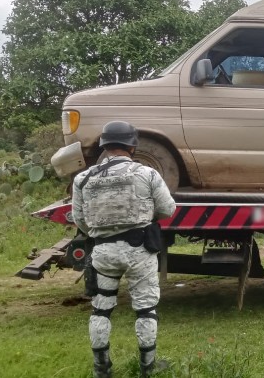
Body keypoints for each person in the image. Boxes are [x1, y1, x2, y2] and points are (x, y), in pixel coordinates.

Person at [72, 121, 176, 377]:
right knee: (145, 310)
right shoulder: (147, 174)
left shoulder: (82, 179)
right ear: (132, 146)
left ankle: (102, 369)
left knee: (101, 309)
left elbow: (80, 220)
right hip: (140, 251)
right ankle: (147, 368)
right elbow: (168, 209)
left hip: (103, 253)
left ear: (104, 146)